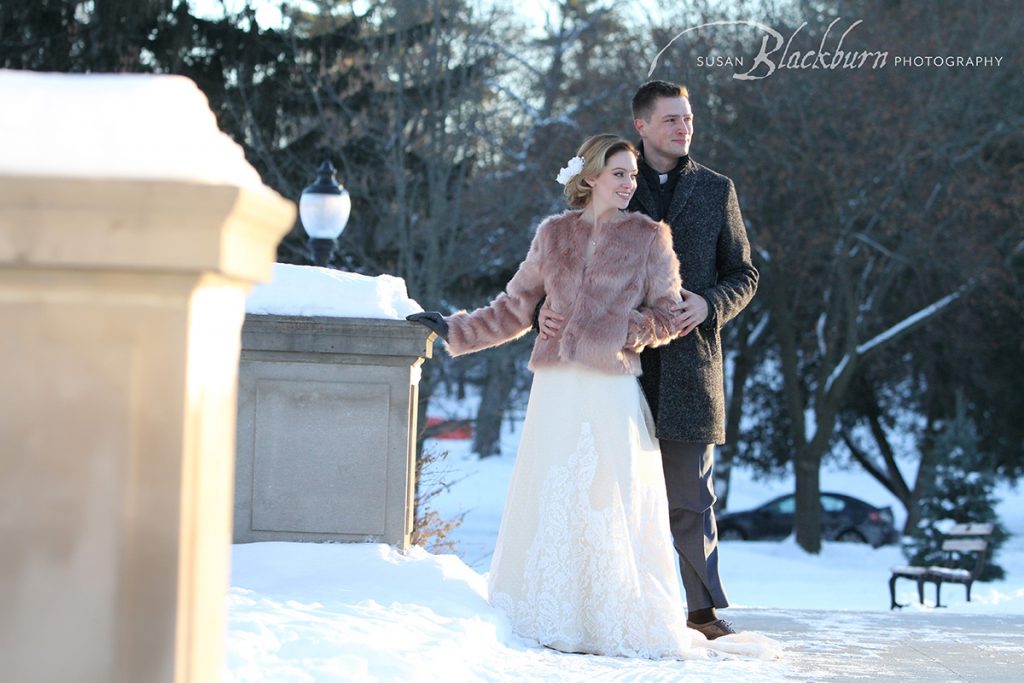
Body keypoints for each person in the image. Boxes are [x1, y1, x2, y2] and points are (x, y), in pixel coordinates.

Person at [409, 134, 705, 659]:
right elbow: (513, 307)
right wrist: (452, 328)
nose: (628, 183)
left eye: (632, 175)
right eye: (618, 173)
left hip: (609, 388)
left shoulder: (650, 237)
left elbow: (668, 317)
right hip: (555, 389)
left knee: (603, 498)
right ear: (590, 176)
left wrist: (619, 327)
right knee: (554, 497)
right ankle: (549, 613)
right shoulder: (553, 235)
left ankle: (607, 620)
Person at [538, 81, 759, 640]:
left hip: (690, 364)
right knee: (607, 490)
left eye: (688, 119)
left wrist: (710, 303)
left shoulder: (716, 189)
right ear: (642, 125)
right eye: (671, 120)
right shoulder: (616, 185)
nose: (683, 128)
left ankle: (699, 611)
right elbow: (568, 261)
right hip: (614, 364)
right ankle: (610, 606)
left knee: (689, 494)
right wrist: (546, 311)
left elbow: (745, 273)